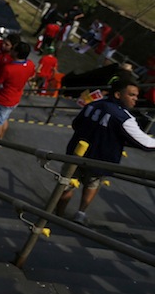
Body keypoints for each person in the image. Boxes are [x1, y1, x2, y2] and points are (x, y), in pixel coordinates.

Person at [55, 79, 155, 225]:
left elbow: (76, 124)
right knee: (92, 185)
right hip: (101, 159)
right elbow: (145, 144)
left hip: (76, 153)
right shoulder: (123, 118)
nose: (135, 99)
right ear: (118, 95)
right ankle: (80, 214)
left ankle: (58, 215)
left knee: (66, 184)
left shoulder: (93, 104)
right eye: (132, 95)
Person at [0, 42, 35, 153]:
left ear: (16, 52)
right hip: (15, 98)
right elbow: (32, 75)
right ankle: (0, 139)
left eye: (13, 49)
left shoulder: (9, 68)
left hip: (3, 98)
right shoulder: (30, 65)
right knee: (4, 119)